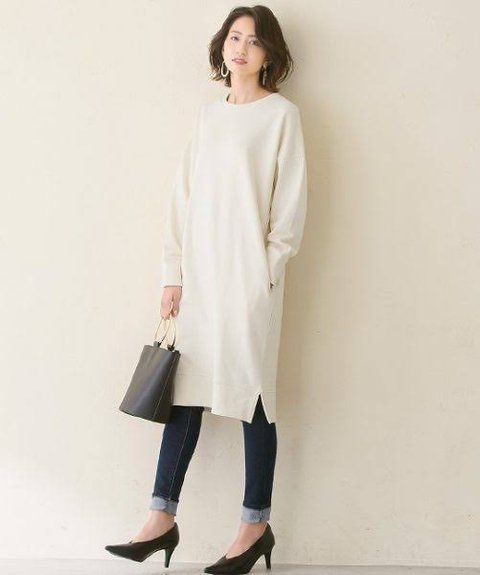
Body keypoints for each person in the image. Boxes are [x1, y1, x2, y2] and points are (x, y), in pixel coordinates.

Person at [105, 5, 308, 574]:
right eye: (234, 37)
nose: (240, 48)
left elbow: (289, 211)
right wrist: (172, 275)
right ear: (223, 45)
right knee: (185, 394)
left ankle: (255, 526)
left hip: (249, 282)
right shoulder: (207, 117)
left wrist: (263, 277)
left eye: (253, 40)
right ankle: (160, 518)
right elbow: (183, 200)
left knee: (253, 397)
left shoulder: (282, 117)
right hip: (199, 279)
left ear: (269, 53)